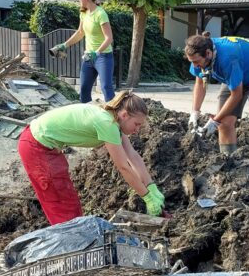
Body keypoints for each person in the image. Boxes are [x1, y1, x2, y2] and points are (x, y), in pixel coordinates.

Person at [17, 90, 165, 225]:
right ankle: (69, 246)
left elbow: (133, 156)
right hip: (36, 146)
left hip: (44, 145)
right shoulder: (107, 124)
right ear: (125, 115)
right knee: (62, 204)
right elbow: (124, 167)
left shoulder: (113, 119)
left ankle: (76, 238)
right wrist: (146, 197)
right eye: (136, 124)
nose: (137, 130)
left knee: (70, 202)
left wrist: (151, 186)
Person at [185, 33, 249, 162]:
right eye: (191, 62)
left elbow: (237, 95)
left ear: (208, 53)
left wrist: (215, 120)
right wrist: (194, 113)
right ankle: (229, 163)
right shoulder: (197, 55)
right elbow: (200, 83)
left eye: (196, 62)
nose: (194, 66)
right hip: (234, 76)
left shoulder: (228, 57)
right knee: (225, 123)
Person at [50, 0, 115, 102]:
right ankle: (85, 117)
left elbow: (109, 38)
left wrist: (97, 52)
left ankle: (115, 117)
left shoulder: (101, 14)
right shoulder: (83, 13)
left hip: (103, 57)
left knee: (106, 87)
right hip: (88, 57)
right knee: (84, 89)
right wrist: (64, 45)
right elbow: (80, 33)